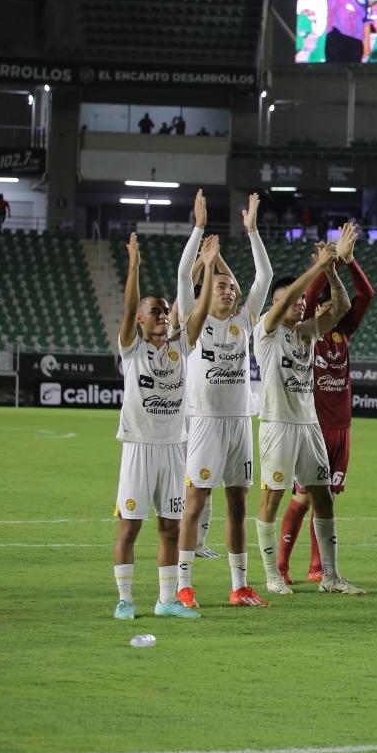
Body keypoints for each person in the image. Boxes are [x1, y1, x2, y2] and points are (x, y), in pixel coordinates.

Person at [172, 191, 273, 610]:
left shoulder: (244, 323)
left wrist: (251, 232)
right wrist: (198, 231)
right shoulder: (192, 326)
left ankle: (239, 586)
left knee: (237, 504)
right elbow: (183, 278)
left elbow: (264, 277)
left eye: (233, 287)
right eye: (221, 287)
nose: (230, 291)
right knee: (195, 502)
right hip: (205, 422)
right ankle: (183, 584)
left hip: (239, 422)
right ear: (204, 296)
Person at [252, 223, 364, 596]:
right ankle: (271, 573)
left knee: (323, 495)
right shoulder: (266, 331)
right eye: (293, 300)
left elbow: (343, 307)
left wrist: (333, 269)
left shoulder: (307, 332)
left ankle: (330, 576)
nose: (300, 303)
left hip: (309, 424)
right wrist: (317, 267)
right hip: (278, 424)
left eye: (302, 301)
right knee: (272, 495)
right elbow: (285, 302)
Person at [277, 229, 376, 585]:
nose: (332, 306)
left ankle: (318, 569)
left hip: (342, 427)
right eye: (325, 302)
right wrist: (327, 263)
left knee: (328, 500)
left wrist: (349, 261)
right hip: (313, 425)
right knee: (303, 500)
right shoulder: (306, 332)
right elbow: (304, 294)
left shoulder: (343, 332)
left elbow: (366, 294)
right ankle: (282, 566)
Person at [110, 233, 201, 620]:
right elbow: (129, 310)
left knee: (169, 526)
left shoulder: (180, 346)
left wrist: (198, 266)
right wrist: (133, 268)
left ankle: (165, 601)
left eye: (166, 310)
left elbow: (187, 307)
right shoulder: (133, 348)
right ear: (141, 319)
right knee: (130, 528)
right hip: (138, 446)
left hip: (173, 447)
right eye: (155, 311)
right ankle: (125, 600)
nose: (164, 315)